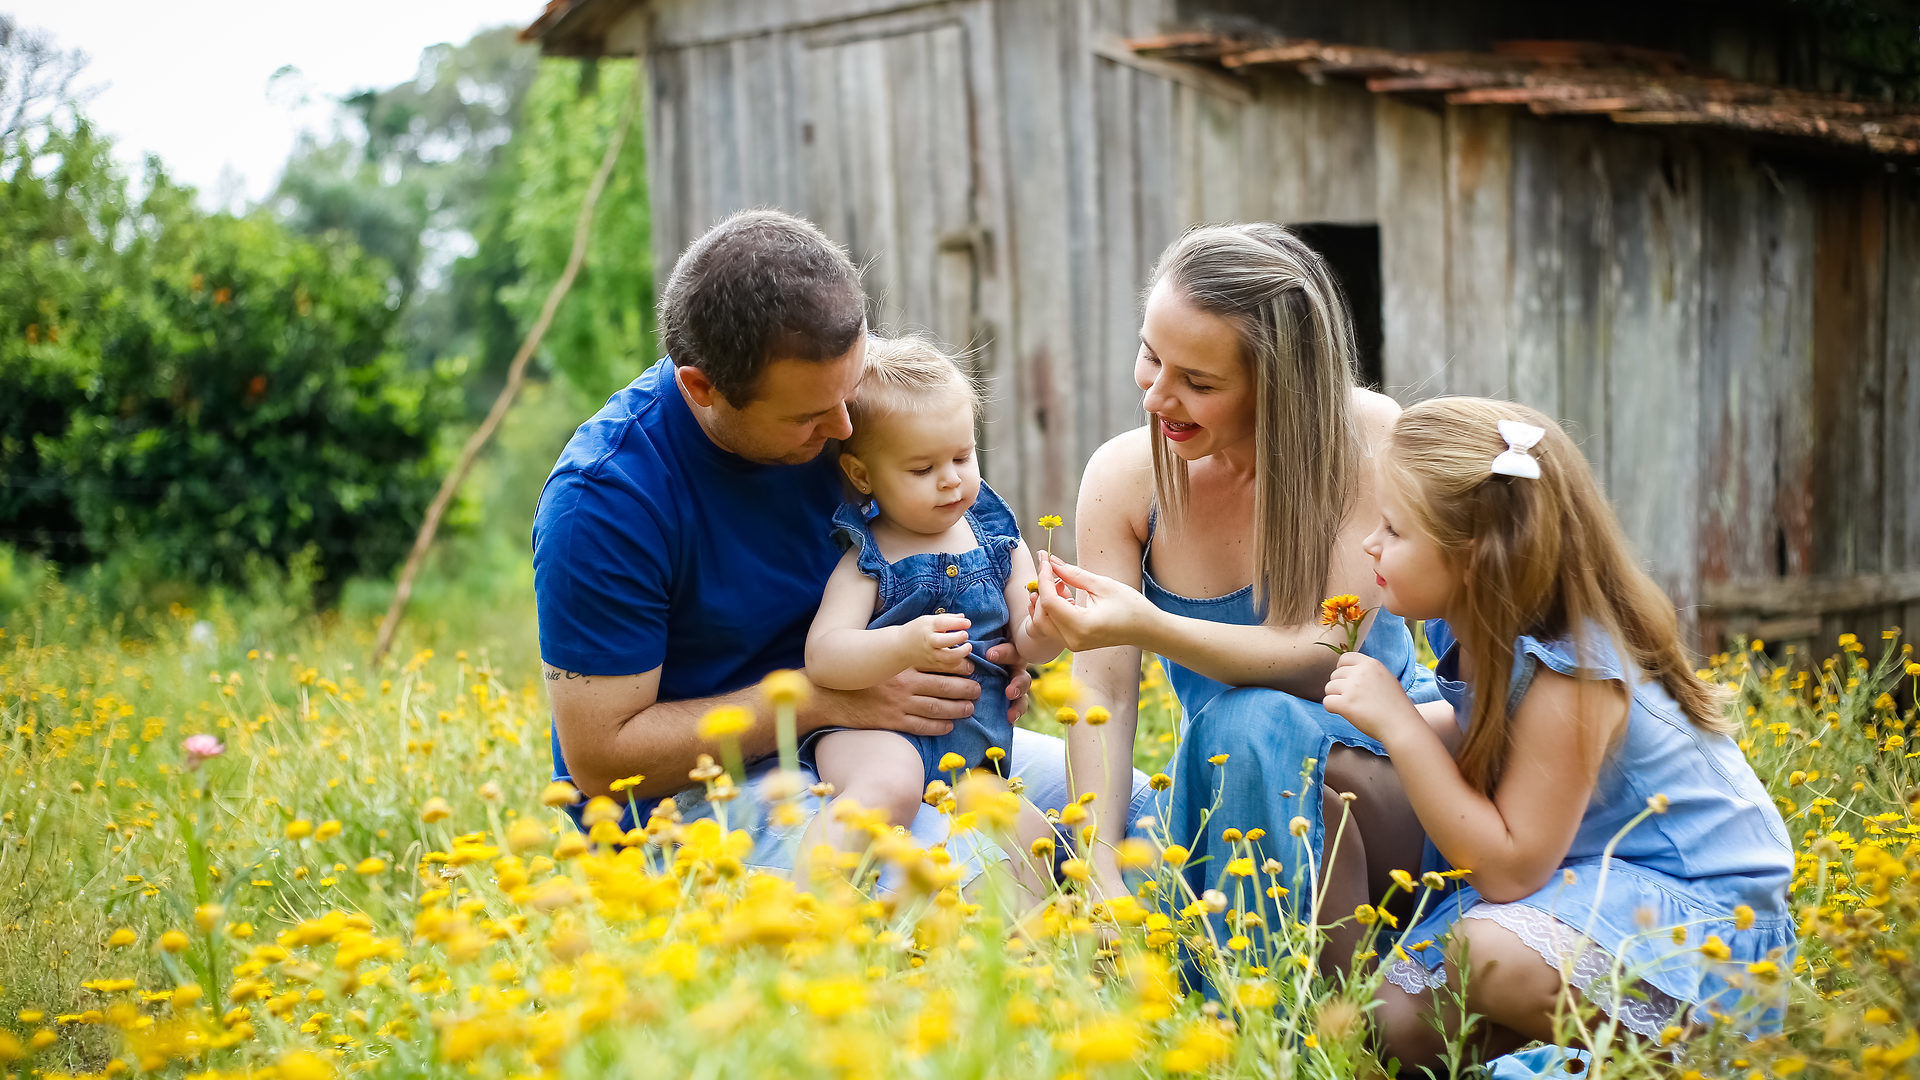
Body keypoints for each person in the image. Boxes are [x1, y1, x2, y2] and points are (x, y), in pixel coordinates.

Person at [531, 209, 1149, 878]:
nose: (845, 428)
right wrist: (825, 699)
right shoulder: (606, 499)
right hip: (702, 790)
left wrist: (998, 651)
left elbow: (955, 544)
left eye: (849, 392)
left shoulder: (848, 393)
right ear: (701, 388)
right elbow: (601, 757)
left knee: (1137, 823)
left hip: (905, 736)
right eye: (808, 417)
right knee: (970, 880)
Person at [1322, 397, 1794, 1066]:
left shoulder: (1575, 670)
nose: (1372, 543)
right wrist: (1362, 727)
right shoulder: (1480, 628)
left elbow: (1510, 870)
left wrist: (1398, 723)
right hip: (1590, 880)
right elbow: (1482, 730)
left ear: (1473, 558)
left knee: (1484, 957)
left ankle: (1715, 1059)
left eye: (1394, 530)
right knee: (1395, 1027)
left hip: (1704, 914)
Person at [1029, 223, 1445, 966]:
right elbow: (1104, 691)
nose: (1157, 396)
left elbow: (1325, 654)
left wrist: (1149, 626)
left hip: (1380, 770)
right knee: (1062, 853)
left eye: (1199, 383)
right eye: (1150, 356)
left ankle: (1267, 1001)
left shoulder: (1368, 438)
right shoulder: (1125, 478)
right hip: (1225, 785)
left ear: (1280, 386)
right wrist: (1100, 866)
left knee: (1249, 721)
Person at [800, 335, 1062, 880]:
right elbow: (824, 656)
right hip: (872, 738)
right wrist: (903, 643)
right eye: (922, 469)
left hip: (971, 757)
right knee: (889, 787)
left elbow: (1031, 644)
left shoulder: (997, 542)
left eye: (963, 457)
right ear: (863, 475)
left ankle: (1030, 932)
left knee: (1029, 834)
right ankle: (812, 902)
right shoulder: (868, 557)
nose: (951, 479)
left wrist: (1048, 624)